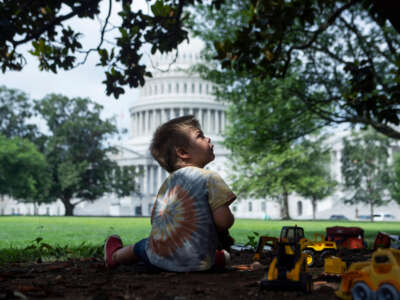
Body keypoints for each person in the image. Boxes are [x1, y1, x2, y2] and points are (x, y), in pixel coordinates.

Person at [104, 115, 236, 272]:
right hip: (197, 261)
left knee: (141, 246)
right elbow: (223, 222)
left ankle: (115, 257)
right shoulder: (210, 178)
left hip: (158, 259)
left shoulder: (167, 184)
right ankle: (218, 258)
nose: (208, 138)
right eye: (200, 136)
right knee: (203, 249)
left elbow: (155, 219)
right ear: (182, 152)